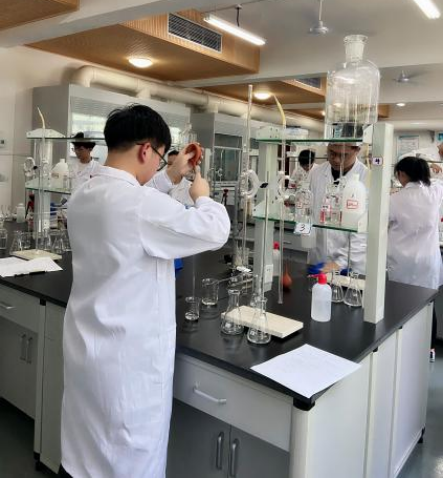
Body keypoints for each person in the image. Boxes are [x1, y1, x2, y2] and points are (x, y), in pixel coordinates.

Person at [60, 104, 231, 478]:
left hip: (88, 351)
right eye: (159, 156)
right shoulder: (140, 206)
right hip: (129, 367)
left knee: (84, 458)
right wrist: (202, 195)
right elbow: (215, 230)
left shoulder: (84, 194)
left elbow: (134, 199)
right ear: (145, 150)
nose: (158, 165)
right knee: (127, 461)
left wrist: (172, 173)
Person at [388, 156, 443, 361]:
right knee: (428, 306)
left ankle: (402, 350)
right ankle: (429, 349)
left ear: (402, 174)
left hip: (402, 263)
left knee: (401, 306)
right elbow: (438, 181)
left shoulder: (394, 200)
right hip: (428, 262)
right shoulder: (435, 192)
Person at [309, 143, 368, 273]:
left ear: (357, 150)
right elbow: (311, 213)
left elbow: (364, 229)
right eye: (332, 153)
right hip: (319, 258)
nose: (336, 159)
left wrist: (339, 263)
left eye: (343, 155)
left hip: (351, 264)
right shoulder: (317, 173)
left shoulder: (367, 177)